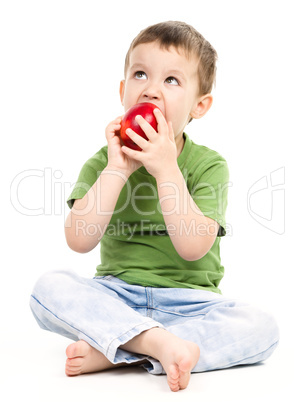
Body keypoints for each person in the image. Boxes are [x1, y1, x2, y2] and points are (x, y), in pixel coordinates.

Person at [30, 21, 279, 392]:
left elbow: (194, 248)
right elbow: (78, 241)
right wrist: (117, 169)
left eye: (172, 81)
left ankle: (122, 348)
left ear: (200, 105)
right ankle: (154, 344)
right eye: (140, 74)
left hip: (189, 304)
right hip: (116, 296)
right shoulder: (104, 161)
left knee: (262, 327)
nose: (150, 90)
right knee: (47, 289)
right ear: (122, 90)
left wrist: (166, 169)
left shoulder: (209, 165)